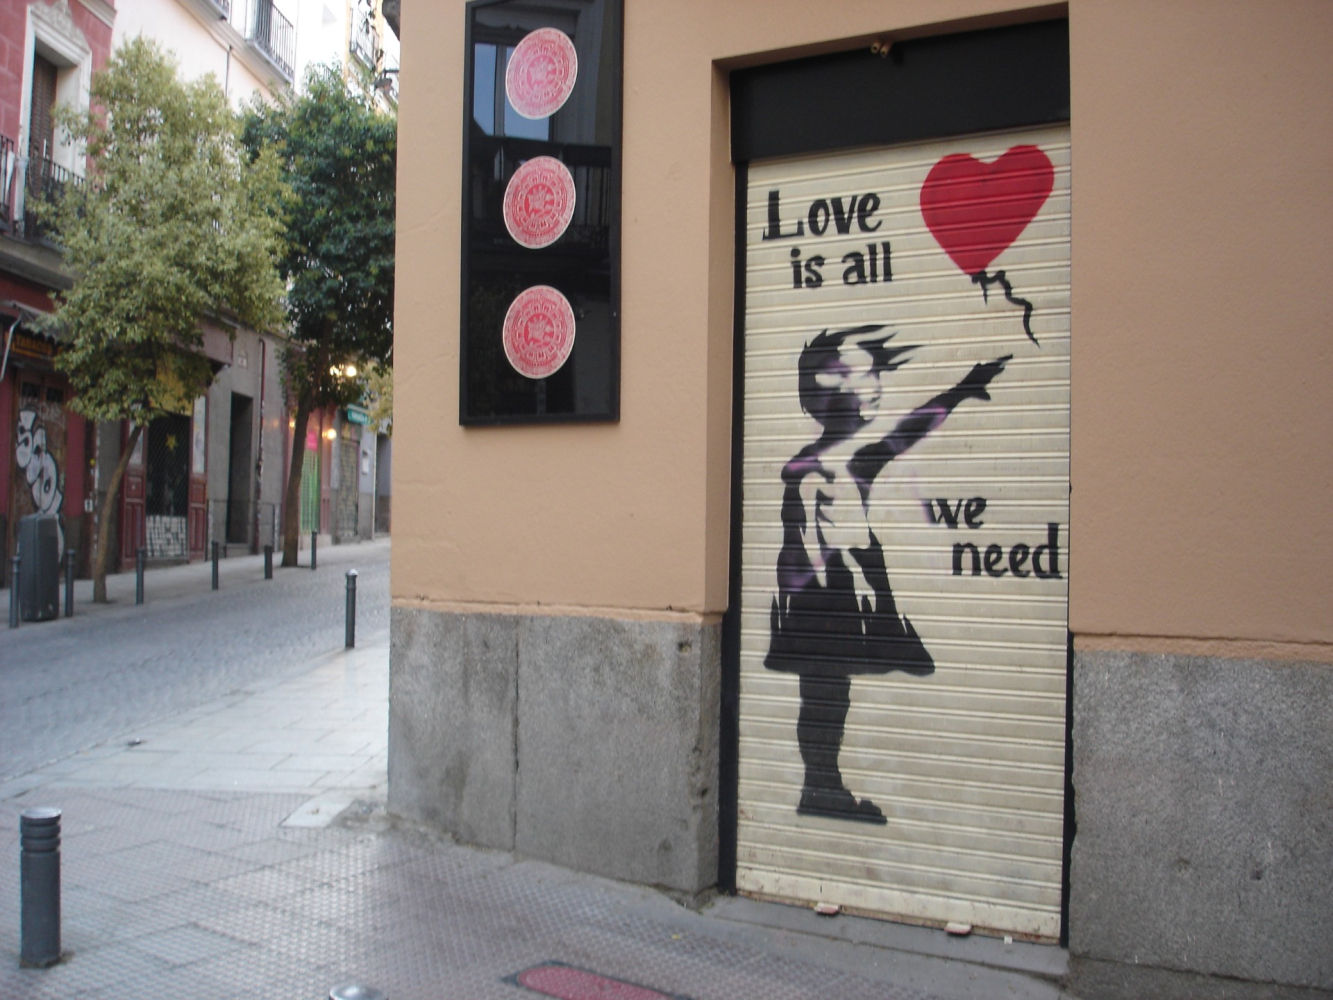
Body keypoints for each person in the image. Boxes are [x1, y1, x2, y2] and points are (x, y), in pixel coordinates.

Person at [766, 323, 1009, 823]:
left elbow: (906, 432)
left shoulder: (848, 459)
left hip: (829, 600)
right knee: (825, 698)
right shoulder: (814, 468)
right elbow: (807, 547)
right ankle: (820, 787)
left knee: (830, 697)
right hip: (820, 602)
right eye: (861, 374)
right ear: (827, 391)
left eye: (875, 373)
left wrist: (962, 390)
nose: (875, 384)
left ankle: (822, 786)